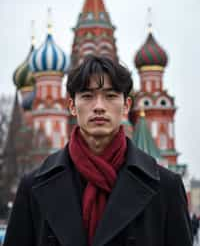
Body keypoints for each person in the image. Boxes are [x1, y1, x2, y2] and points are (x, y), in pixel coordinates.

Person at [4, 55, 193, 246]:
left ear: (126, 106)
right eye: (87, 96)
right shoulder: (35, 187)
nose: (99, 107)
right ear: (71, 106)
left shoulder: (165, 188)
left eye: (110, 96)